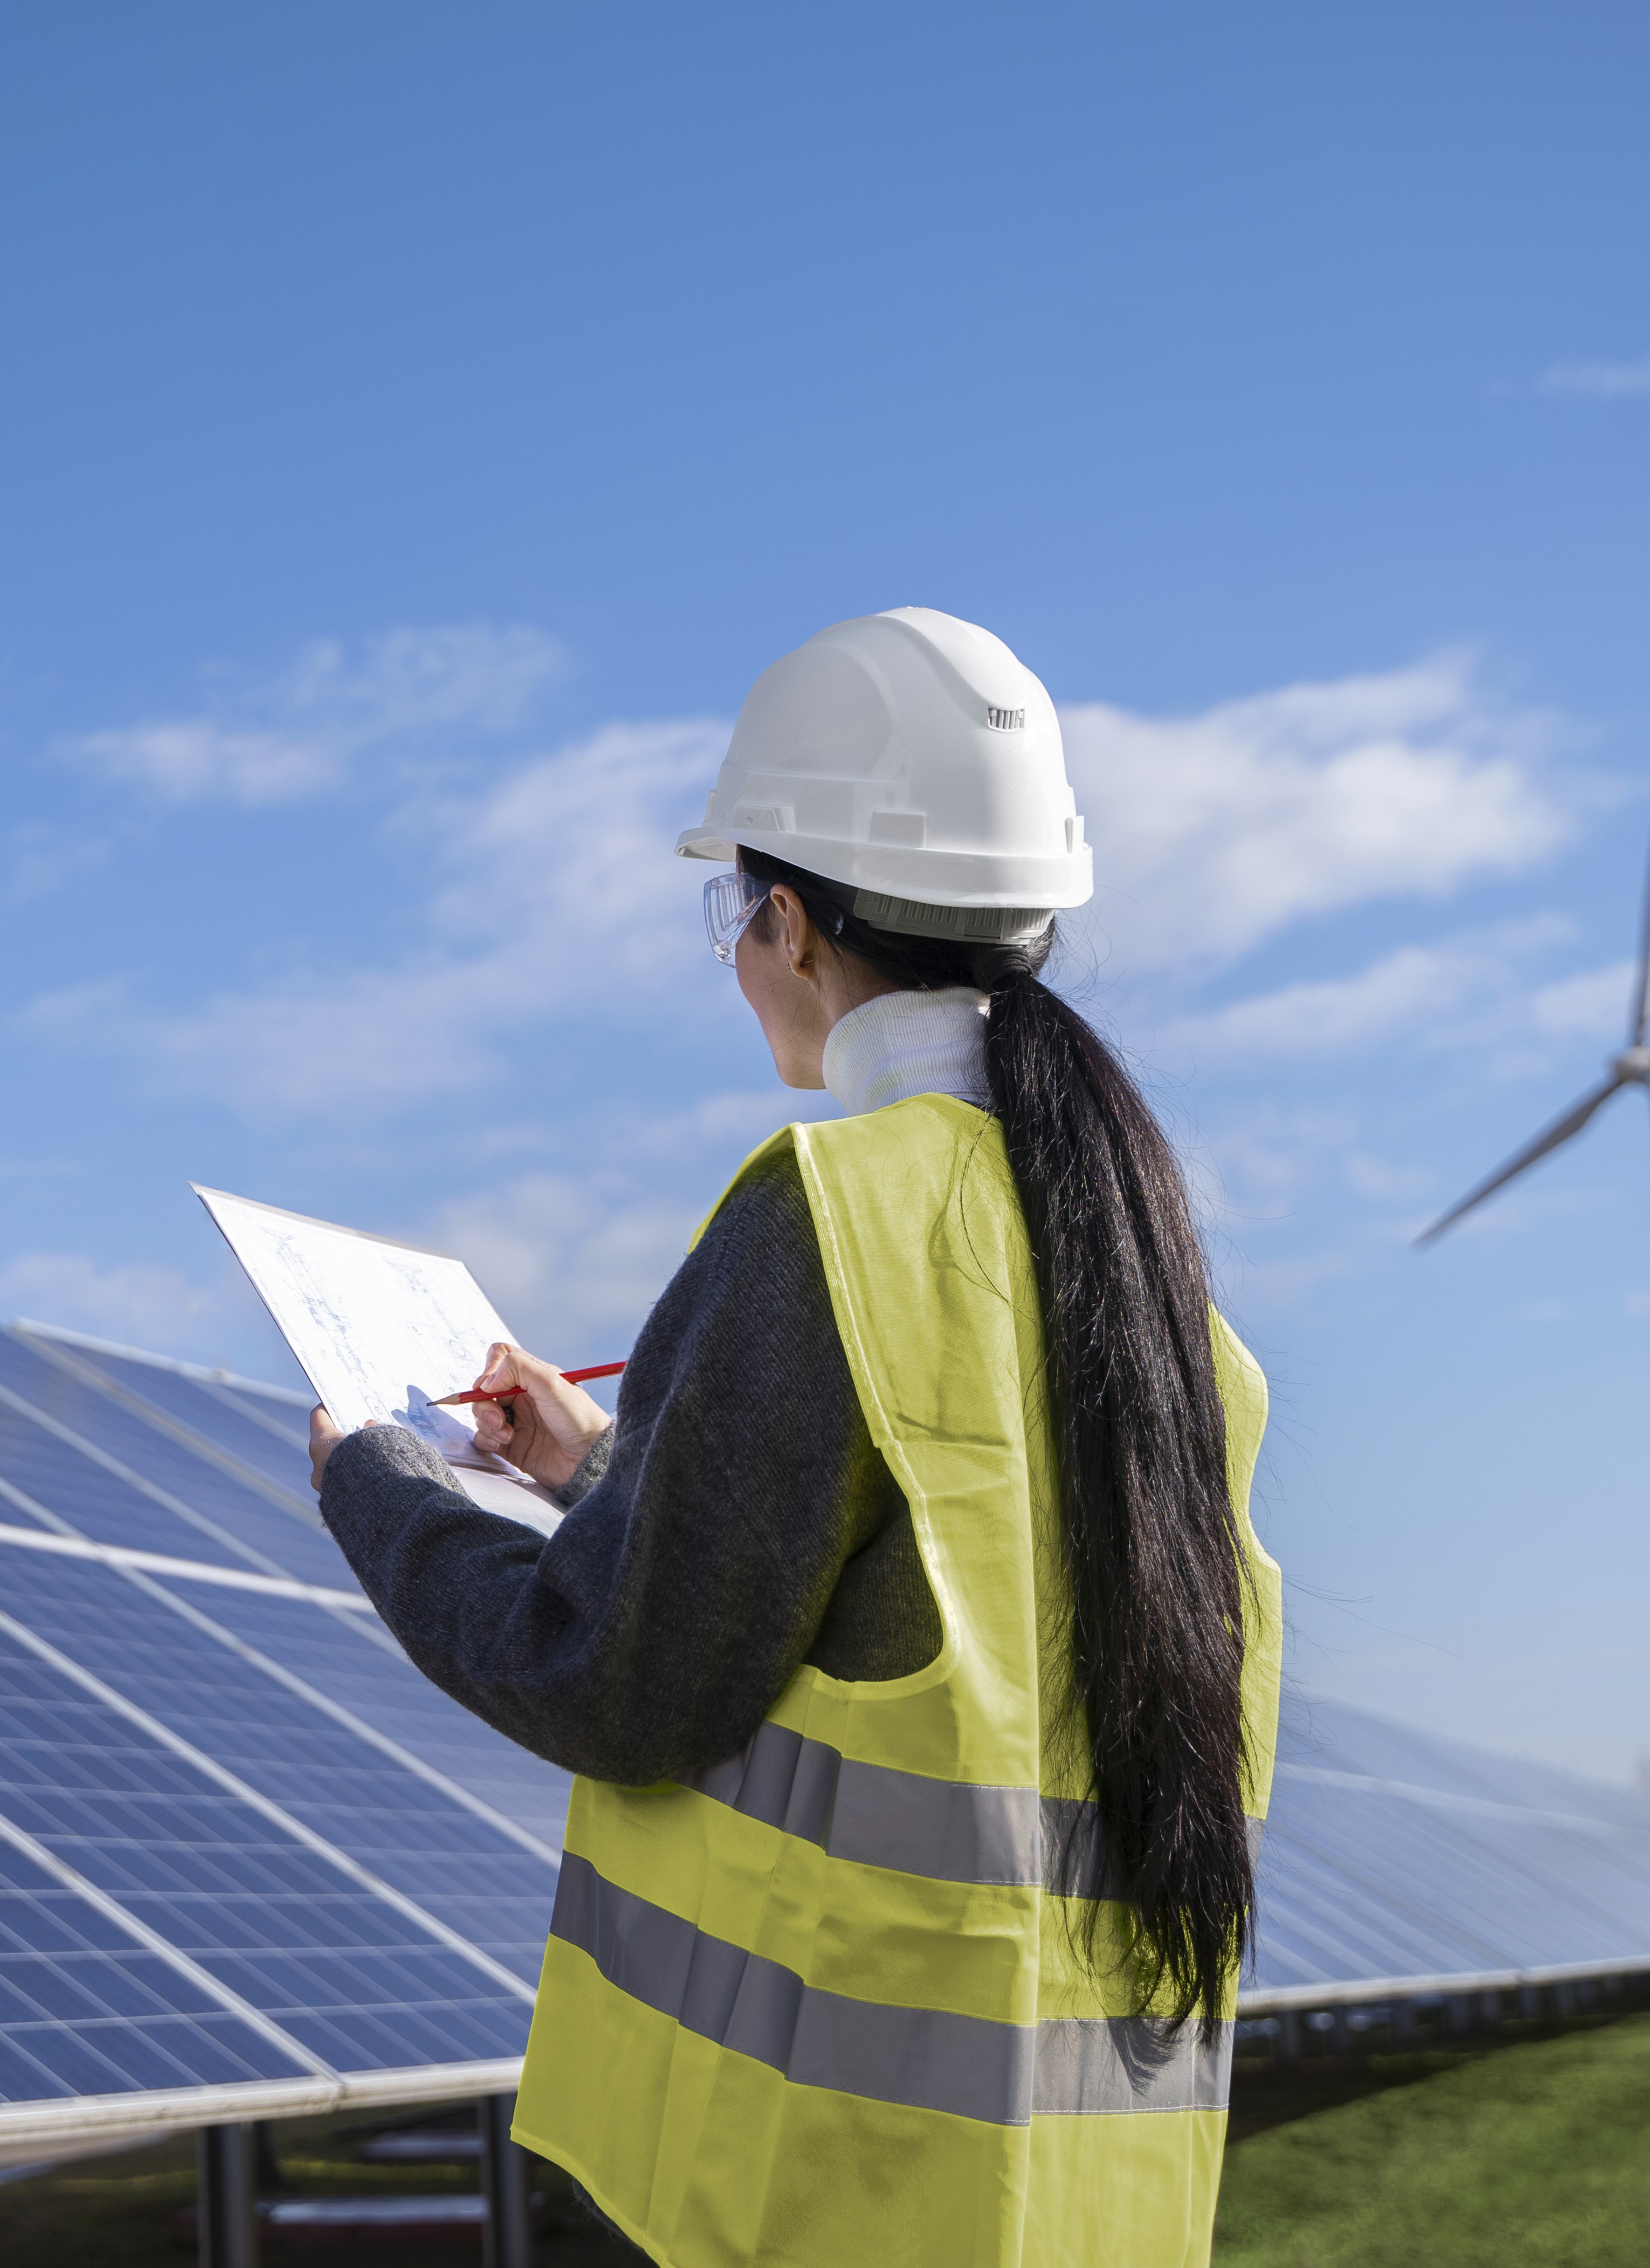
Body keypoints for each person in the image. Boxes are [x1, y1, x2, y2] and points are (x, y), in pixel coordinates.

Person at [305, 608, 1284, 2268]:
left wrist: (378, 1489)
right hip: (1091, 2211)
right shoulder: (1163, 1306)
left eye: (730, 914)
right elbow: (942, 1613)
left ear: (787, 921)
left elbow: (608, 1670)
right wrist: (608, 1472)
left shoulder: (825, 1219)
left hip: (843, 2189)